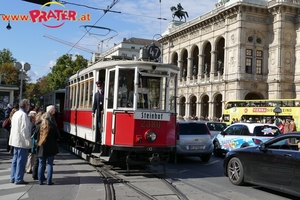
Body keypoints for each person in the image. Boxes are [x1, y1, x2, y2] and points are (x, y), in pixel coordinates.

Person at [9, 99, 32, 185]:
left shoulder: (16, 114)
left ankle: (13, 177)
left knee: (15, 160)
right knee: (21, 161)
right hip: (21, 141)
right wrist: (28, 139)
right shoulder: (24, 115)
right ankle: (18, 179)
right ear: (26, 105)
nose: (29, 106)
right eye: (28, 105)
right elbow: (24, 129)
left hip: (15, 140)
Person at [36, 112, 60, 185]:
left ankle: (40, 181)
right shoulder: (52, 126)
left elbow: (34, 136)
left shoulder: (39, 126)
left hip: (41, 148)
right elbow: (58, 136)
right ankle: (49, 181)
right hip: (51, 148)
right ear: (50, 118)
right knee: (49, 164)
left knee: (41, 164)